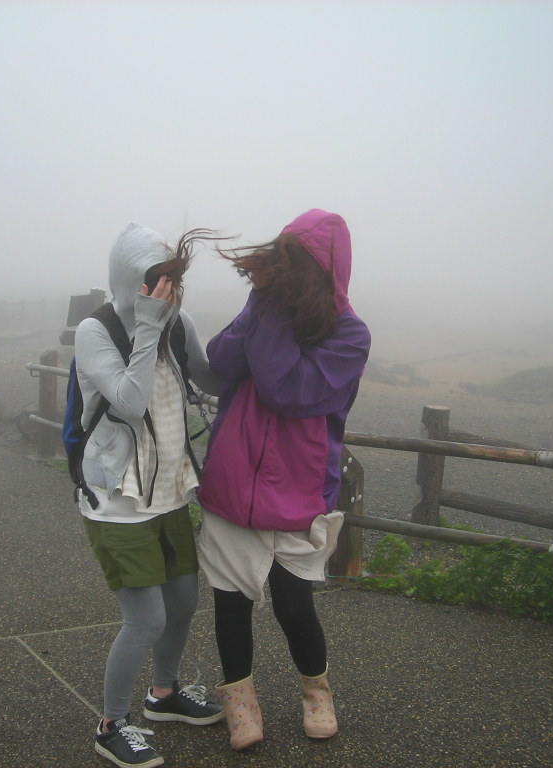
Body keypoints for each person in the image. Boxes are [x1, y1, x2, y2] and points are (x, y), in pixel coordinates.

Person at [195, 208, 371, 751]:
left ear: (322, 271)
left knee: (294, 605)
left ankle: (317, 691)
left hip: (299, 490)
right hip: (234, 481)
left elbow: (286, 388)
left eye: (292, 267)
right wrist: (261, 302)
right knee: (231, 603)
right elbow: (221, 359)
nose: (281, 276)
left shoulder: (349, 335)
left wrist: (269, 313)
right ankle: (240, 703)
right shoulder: (266, 305)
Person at [75, 223, 226, 768]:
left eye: (171, 280)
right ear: (128, 280)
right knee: (145, 621)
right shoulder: (96, 331)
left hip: (170, 491)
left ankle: (164, 695)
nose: (165, 291)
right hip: (118, 501)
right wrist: (147, 326)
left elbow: (210, 379)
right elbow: (130, 403)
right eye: (154, 280)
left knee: (183, 604)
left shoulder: (177, 322)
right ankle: (111, 725)